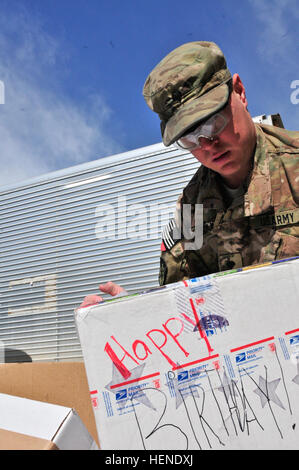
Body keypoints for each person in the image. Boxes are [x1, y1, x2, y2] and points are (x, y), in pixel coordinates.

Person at [80, 40, 299, 307]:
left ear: (240, 92)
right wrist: (132, 314)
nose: (207, 144)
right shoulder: (190, 209)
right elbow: (183, 303)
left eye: (213, 122)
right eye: (189, 137)